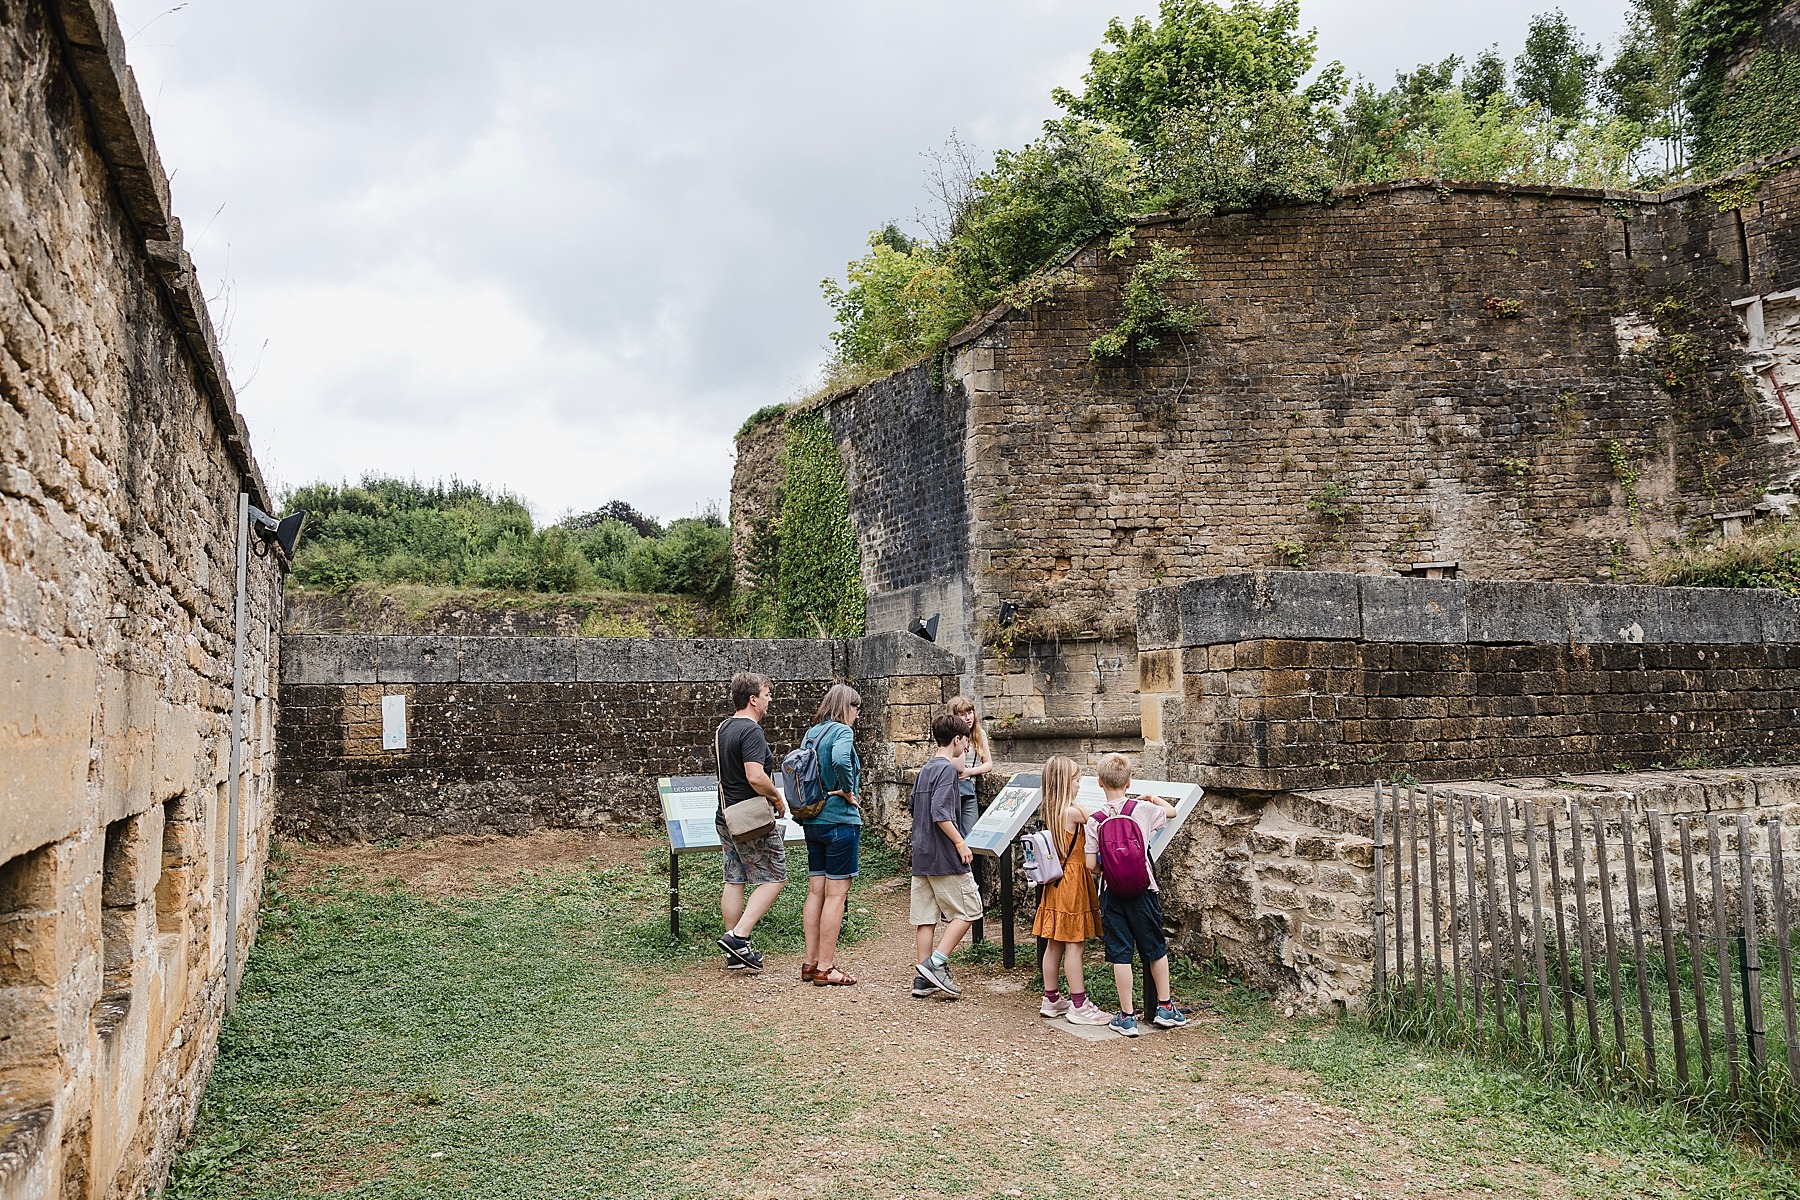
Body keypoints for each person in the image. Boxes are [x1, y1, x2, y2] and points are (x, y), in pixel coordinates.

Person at [1084, 753, 1186, 1037]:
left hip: (1112, 893)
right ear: (1129, 782)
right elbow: (1172, 813)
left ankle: (1127, 1016)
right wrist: (1153, 798)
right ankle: (1165, 1007)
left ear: (1100, 783)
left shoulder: (1095, 819)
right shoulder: (1142, 810)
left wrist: (1111, 869)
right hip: (1144, 889)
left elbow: (1091, 864)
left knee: (1121, 954)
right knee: (1154, 947)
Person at [715, 672, 787, 973]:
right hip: (750, 819)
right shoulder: (751, 731)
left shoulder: (723, 728)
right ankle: (739, 937)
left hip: (726, 815)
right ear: (753, 699)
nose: (770, 699)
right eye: (767, 694)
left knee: (734, 879)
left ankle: (736, 953)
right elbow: (755, 776)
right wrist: (777, 799)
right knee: (776, 876)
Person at [1031, 756, 1109, 1025]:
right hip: (1073, 882)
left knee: (1054, 944)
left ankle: (1051, 998)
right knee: (1075, 946)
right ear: (1066, 783)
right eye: (1076, 780)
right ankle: (1079, 1004)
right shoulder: (1074, 812)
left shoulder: (1051, 809)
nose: (1079, 785)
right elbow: (1102, 819)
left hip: (1056, 883)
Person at [909, 713, 982, 999]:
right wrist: (960, 843)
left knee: (926, 917)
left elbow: (916, 807)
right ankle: (935, 963)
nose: (966, 747)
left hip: (922, 854)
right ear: (956, 739)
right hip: (942, 855)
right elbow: (941, 813)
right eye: (965, 741)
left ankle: (922, 979)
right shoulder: (948, 770)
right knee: (970, 910)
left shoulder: (926, 768)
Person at [799, 684, 864, 987]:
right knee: (836, 896)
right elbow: (840, 759)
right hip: (839, 820)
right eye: (857, 707)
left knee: (816, 892)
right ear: (847, 706)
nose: (858, 715)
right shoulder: (842, 731)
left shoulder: (812, 732)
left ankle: (810, 962)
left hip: (813, 820)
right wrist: (848, 790)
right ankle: (826, 967)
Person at [946, 695, 993, 835]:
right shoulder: (949, 735)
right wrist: (960, 737)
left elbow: (988, 764)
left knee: (970, 834)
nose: (968, 718)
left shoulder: (979, 734)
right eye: (962, 715)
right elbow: (954, 766)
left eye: (970, 713)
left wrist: (970, 772)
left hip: (969, 789)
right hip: (950, 789)